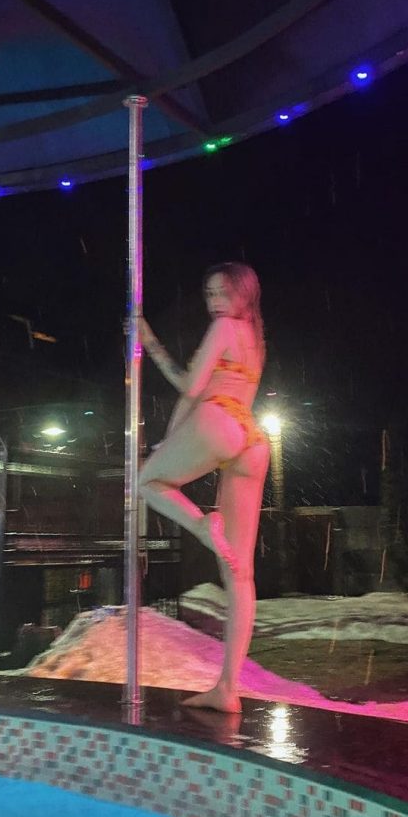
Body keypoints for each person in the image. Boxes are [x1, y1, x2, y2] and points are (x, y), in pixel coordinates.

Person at [138, 262, 270, 713]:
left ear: (243, 296)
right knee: (240, 573)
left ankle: (200, 526)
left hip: (220, 420)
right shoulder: (255, 340)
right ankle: (227, 688)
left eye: (223, 293)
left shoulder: (225, 327)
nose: (215, 303)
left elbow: (191, 387)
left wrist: (149, 342)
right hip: (252, 439)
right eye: (210, 294)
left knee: (147, 481)